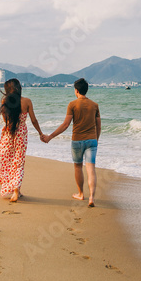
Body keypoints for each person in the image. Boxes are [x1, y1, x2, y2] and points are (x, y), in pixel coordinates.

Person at [42, 78, 101, 207]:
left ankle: (81, 194)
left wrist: (50, 136)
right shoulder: (94, 105)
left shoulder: (72, 104)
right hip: (92, 140)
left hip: (77, 141)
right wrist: (96, 140)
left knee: (78, 167)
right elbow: (98, 126)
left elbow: (65, 125)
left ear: (76, 90)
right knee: (91, 169)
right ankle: (91, 197)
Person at [0, 78, 44, 202]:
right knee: (18, 161)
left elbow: (6, 120)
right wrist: (40, 133)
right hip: (21, 133)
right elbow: (33, 120)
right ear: (19, 88)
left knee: (2, 158)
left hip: (9, 132)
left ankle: (13, 188)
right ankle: (16, 191)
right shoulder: (27, 101)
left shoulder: (5, 101)